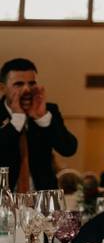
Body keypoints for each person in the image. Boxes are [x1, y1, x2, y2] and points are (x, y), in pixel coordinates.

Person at [0, 58, 78, 192]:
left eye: (31, 83)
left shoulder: (49, 111)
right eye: (18, 84)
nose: (27, 89)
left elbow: (68, 148)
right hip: (4, 201)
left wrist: (43, 118)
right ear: (2, 88)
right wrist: (17, 119)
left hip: (43, 200)